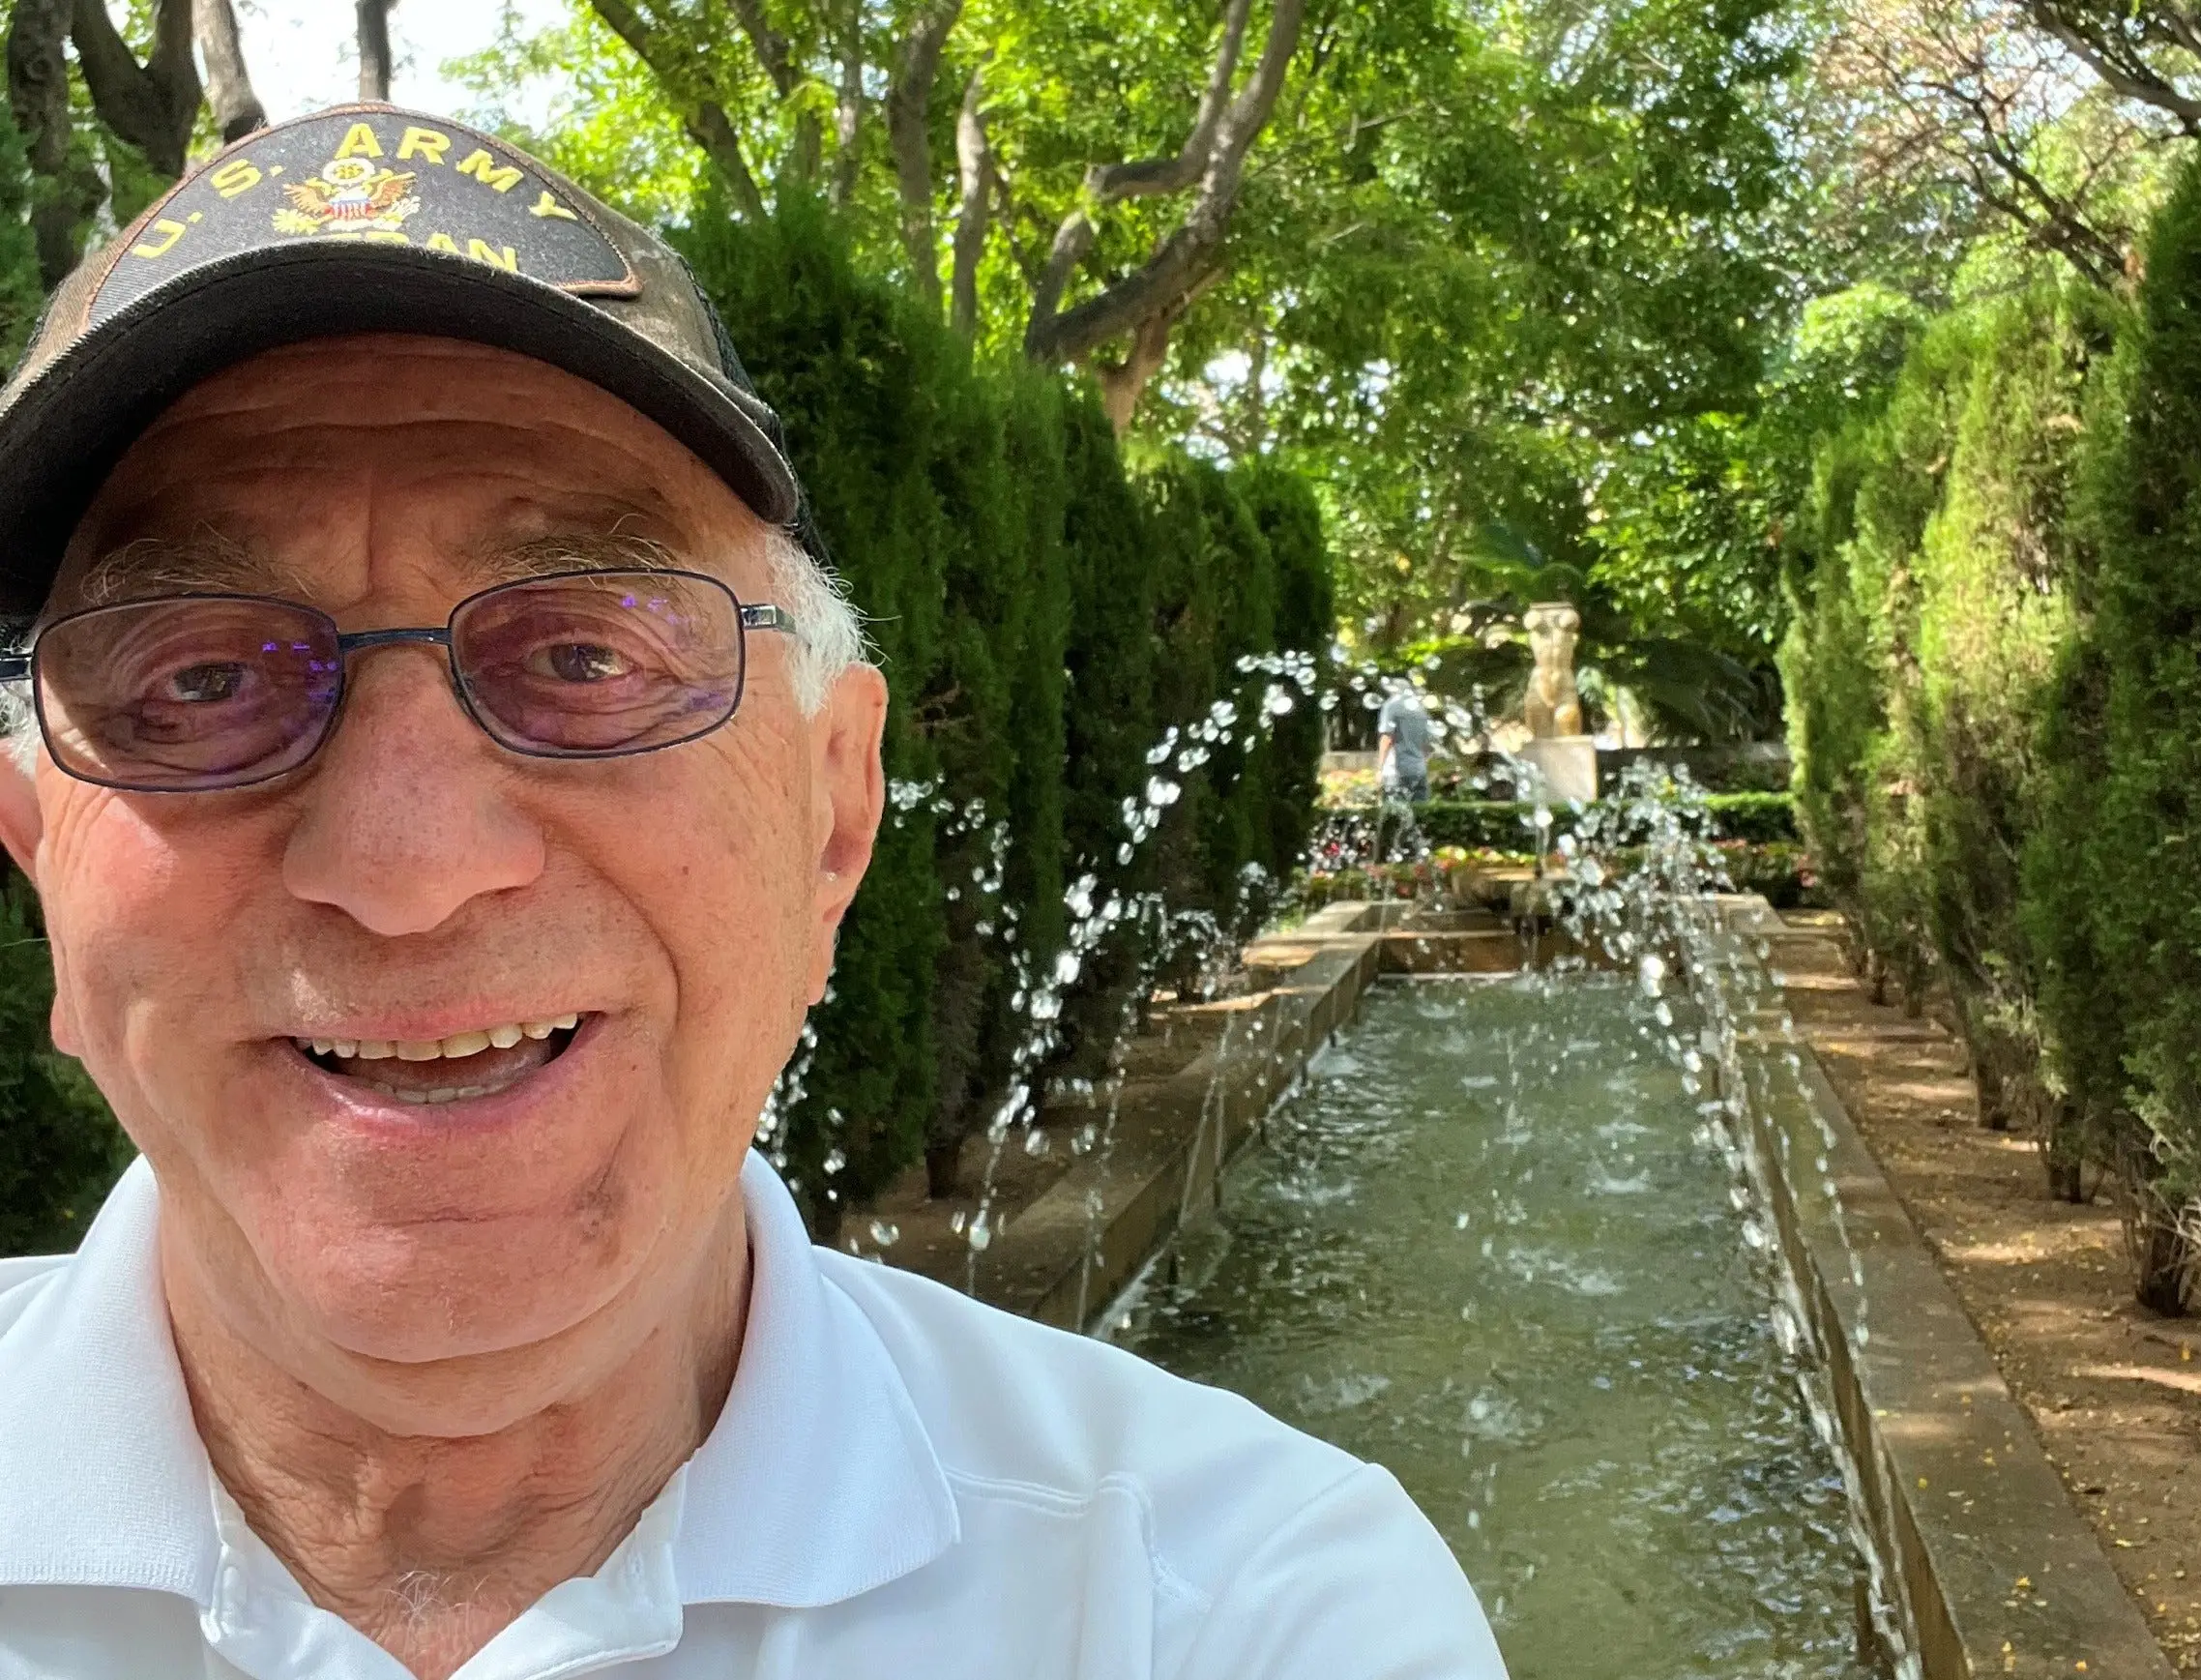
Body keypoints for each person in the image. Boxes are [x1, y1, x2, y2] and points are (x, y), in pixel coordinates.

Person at [0, 106, 1505, 1680]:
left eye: (587, 656)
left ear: (833, 819)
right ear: (42, 860)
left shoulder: (1234, 1606)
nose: (406, 870)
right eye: (205, 677)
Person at [1377, 678, 1435, 803]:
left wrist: (1380, 769)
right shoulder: (1421, 709)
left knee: (1395, 817)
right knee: (1420, 815)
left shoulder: (1391, 705)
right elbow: (1428, 745)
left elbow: (1387, 738)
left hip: (1396, 771)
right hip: (1419, 771)